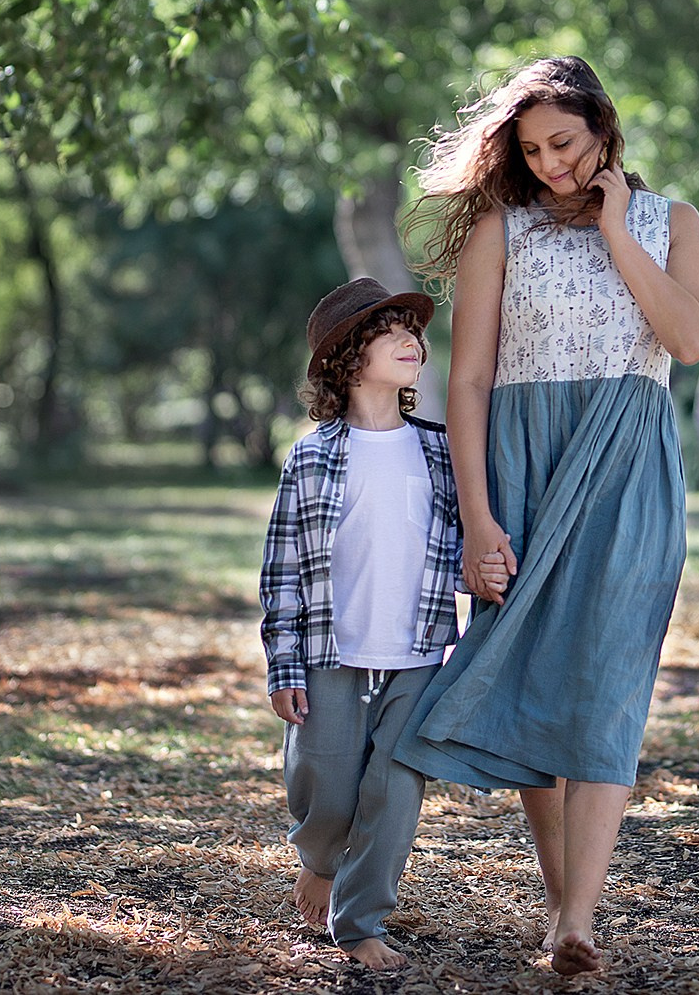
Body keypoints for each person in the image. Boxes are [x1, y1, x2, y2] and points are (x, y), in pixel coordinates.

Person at [393, 56, 699, 975]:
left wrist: (618, 230)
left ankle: (578, 921)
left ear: (604, 131)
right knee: (529, 677)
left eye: (563, 143)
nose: (549, 164)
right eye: (531, 149)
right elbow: (467, 381)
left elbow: (688, 340)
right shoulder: (500, 231)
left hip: (629, 464)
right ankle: (556, 902)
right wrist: (479, 521)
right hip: (521, 463)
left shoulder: (672, 223)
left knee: (607, 684)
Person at [258, 277, 464, 971]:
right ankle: (318, 859)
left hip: (416, 652)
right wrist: (284, 664)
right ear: (348, 356)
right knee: (325, 778)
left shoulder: (441, 451)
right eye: (390, 332)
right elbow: (282, 569)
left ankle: (361, 920)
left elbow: (465, 544)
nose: (412, 341)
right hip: (329, 652)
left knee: (395, 789)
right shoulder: (312, 457)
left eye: (414, 331)